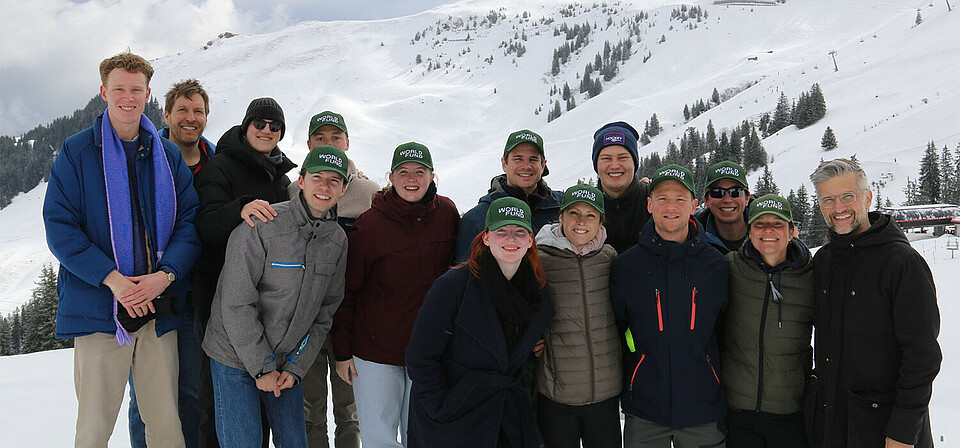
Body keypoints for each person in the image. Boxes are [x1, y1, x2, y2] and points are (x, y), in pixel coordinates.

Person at [42, 51, 200, 448]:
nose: (127, 97)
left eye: (136, 89)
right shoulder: (77, 153)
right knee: (94, 429)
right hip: (100, 312)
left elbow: (188, 224)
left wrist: (164, 277)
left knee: (165, 425)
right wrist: (114, 281)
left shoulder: (166, 155)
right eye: (119, 89)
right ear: (103, 92)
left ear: (147, 94)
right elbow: (61, 229)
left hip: (157, 310)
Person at [202, 145, 349, 448]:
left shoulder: (336, 240)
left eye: (334, 181)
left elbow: (325, 312)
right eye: (317, 177)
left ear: (344, 188)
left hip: (285, 362)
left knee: (294, 441)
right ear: (302, 180)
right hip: (234, 356)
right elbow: (236, 302)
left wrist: (295, 367)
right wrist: (262, 368)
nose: (325, 187)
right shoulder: (263, 225)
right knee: (245, 442)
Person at [330, 142, 459, 448]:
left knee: (423, 435)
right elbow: (347, 292)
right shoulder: (370, 226)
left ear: (432, 176)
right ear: (391, 177)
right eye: (403, 172)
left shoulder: (448, 214)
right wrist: (342, 351)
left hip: (428, 350)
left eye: (419, 171)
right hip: (375, 354)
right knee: (379, 438)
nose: (411, 179)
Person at [807, 158, 941, 448]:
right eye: (828, 199)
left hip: (885, 431)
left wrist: (903, 431)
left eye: (848, 196)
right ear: (820, 206)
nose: (839, 208)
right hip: (832, 425)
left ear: (867, 197)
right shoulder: (824, 261)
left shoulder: (901, 263)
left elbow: (922, 356)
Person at [406, 197, 555, 448]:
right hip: (454, 416)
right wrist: (441, 406)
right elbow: (420, 357)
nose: (511, 239)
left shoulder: (536, 291)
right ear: (486, 237)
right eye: (502, 231)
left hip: (505, 415)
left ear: (531, 239)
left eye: (520, 231)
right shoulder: (452, 287)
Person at [193, 96, 297, 447]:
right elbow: (204, 225)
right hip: (222, 303)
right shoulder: (220, 167)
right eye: (260, 123)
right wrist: (238, 209)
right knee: (223, 409)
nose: (266, 130)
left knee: (266, 414)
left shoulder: (282, 178)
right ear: (246, 125)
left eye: (274, 126)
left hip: (267, 311)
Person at [611, 164, 728, 448]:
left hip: (703, 409)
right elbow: (619, 327)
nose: (671, 206)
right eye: (662, 198)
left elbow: (725, 330)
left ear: (694, 204)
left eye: (680, 198)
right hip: (646, 410)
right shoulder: (626, 266)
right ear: (650, 204)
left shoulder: (716, 265)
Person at [127, 78, 216, 448]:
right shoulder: (143, 155)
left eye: (198, 111)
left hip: (201, 295)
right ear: (166, 114)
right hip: (151, 294)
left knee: (193, 393)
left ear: (207, 117)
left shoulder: (219, 164)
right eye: (182, 109)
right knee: (146, 397)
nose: (190, 118)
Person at [298, 111, 378, 448]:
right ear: (308, 145)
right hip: (305, 320)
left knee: (350, 410)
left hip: (352, 320)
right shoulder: (294, 189)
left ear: (347, 142)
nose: (329, 144)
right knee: (309, 408)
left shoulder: (369, 192)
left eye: (335, 137)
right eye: (320, 138)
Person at [721, 194, 813, 448]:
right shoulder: (729, 268)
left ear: (792, 231)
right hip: (737, 414)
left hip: (790, 415)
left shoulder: (811, 277)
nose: (768, 230)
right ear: (749, 232)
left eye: (778, 223)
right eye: (760, 224)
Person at [534, 183, 621, 448]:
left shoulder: (610, 258)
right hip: (557, 395)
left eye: (590, 215)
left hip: (605, 394)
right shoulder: (540, 260)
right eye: (574, 213)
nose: (581, 222)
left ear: (600, 222)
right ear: (560, 217)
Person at [455, 129, 563, 261]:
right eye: (518, 159)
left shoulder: (564, 209)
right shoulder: (477, 219)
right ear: (504, 164)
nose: (526, 166)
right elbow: (464, 274)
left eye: (533, 159)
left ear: (543, 165)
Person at [591, 121, 651, 253]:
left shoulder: (654, 200)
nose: (614, 165)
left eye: (622, 158)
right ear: (596, 165)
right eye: (606, 158)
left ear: (634, 163)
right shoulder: (587, 207)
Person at [696, 161, 751, 253]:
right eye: (718, 192)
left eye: (735, 192)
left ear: (747, 198)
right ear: (706, 201)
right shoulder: (693, 240)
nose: (727, 200)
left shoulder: (769, 233)